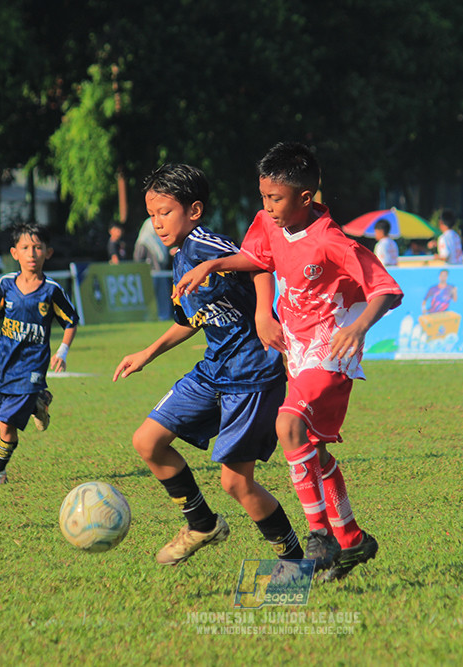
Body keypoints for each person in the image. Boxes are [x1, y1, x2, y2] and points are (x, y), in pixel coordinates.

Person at [176, 141, 404, 581]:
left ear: (305, 198)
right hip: (295, 351)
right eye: (263, 197)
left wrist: (357, 328)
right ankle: (353, 540)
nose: (267, 207)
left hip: (331, 350)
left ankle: (318, 537)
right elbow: (259, 258)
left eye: (275, 198)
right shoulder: (267, 222)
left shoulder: (331, 240)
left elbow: (387, 290)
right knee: (311, 451)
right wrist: (216, 265)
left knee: (288, 424)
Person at [114, 163, 304, 566]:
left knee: (236, 483)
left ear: (194, 210)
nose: (158, 223)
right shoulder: (182, 256)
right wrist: (147, 353)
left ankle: (293, 563)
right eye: (152, 215)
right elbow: (192, 321)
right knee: (147, 442)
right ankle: (201, 523)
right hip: (213, 369)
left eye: (165, 212)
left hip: (251, 376)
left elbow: (259, 262)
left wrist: (263, 316)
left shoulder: (207, 246)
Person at [0, 223, 78, 487]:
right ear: (15, 253)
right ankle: (40, 400)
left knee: (6, 424)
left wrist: (63, 350)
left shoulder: (52, 290)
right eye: (25, 247)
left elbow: (70, 321)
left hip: (32, 368)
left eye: (38, 247)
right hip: (5, 366)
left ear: (48, 252)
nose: (32, 253)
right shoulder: (5, 284)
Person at [133, 217, 174, 320]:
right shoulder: (143, 240)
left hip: (161, 272)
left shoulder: (159, 240)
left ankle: (163, 316)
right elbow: (138, 258)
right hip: (149, 274)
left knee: (163, 295)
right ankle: (149, 317)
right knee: (150, 298)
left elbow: (162, 257)